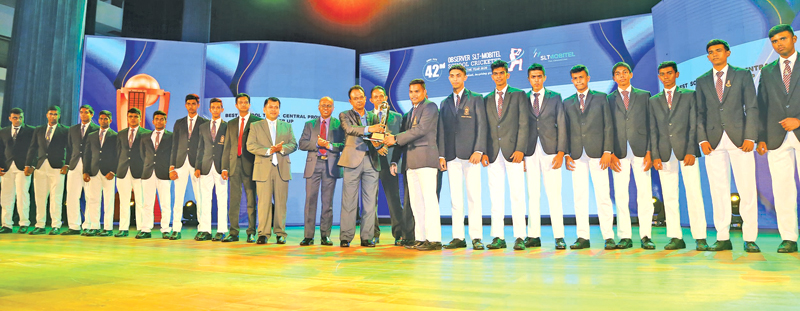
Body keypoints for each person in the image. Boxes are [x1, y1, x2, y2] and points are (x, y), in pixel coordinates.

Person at [696, 39, 760, 252]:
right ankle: (723, 237)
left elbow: (751, 106)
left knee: (747, 189)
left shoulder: (742, 75)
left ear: (728, 53)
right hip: (713, 142)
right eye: (711, 52)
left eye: (718, 51)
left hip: (741, 140)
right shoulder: (702, 80)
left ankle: (750, 238)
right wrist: (702, 140)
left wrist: (751, 136)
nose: (714, 55)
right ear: (708, 57)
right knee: (717, 190)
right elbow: (699, 113)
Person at [650, 61, 708, 251]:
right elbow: (653, 130)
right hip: (665, 153)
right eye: (662, 74)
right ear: (659, 77)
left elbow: (695, 124)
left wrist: (691, 150)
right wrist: (655, 155)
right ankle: (675, 236)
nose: (666, 77)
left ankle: (700, 237)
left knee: (694, 194)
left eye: (669, 73)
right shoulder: (653, 100)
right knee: (669, 196)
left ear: (677, 74)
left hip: (686, 151)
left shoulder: (690, 95)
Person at [756, 24, 800, 253]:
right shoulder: (768, 70)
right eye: (774, 41)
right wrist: (761, 138)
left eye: (783, 39)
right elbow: (761, 106)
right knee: (782, 189)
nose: (779, 43)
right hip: (776, 138)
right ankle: (789, 238)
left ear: (793, 38)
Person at [386, 79, 442, 251]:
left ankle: (434, 240)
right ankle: (421, 237)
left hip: (425, 160)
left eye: (417, 91)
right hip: (411, 162)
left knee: (429, 201)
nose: (413, 95)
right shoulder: (410, 112)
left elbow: (421, 130)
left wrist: (395, 138)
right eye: (411, 92)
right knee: (416, 203)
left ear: (424, 92)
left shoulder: (430, 107)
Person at [563, 65, 615, 250]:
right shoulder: (567, 102)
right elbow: (565, 130)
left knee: (603, 196)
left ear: (588, 78)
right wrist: (567, 153)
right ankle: (582, 237)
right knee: (580, 197)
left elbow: (609, 125)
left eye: (581, 77)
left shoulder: (601, 98)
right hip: (576, 154)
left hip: (598, 153)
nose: (579, 81)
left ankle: (609, 237)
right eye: (575, 78)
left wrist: (608, 150)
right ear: (572, 80)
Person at [479, 60, 529, 250]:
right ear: (492, 76)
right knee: (495, 196)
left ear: (507, 74)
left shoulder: (518, 95)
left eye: (502, 73)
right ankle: (498, 236)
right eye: (495, 74)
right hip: (492, 153)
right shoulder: (487, 99)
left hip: (513, 152)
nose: (499, 76)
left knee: (517, 195)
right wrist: (483, 151)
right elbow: (484, 127)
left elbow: (524, 124)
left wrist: (521, 149)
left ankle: (520, 236)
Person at [437, 65, 487, 250]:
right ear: (449, 78)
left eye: (458, 76)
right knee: (455, 199)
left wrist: (479, 150)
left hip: (471, 155)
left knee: (474, 197)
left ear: (465, 77)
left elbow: (482, 125)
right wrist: (441, 154)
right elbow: (441, 130)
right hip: (451, 155)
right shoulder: (445, 102)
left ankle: (476, 237)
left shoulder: (476, 98)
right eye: (452, 76)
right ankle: (458, 237)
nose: (455, 79)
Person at [607, 62, 655, 249]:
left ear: (631, 74)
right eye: (617, 74)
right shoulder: (609, 99)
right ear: (614, 78)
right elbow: (607, 127)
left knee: (644, 193)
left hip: (641, 150)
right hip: (618, 153)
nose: (621, 76)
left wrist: (650, 151)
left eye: (624, 72)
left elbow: (651, 124)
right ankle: (625, 236)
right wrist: (609, 152)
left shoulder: (644, 96)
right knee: (620, 195)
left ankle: (646, 235)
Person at [522, 63, 568, 250]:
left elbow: (562, 125)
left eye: (539, 76)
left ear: (545, 78)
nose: (536, 79)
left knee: (554, 194)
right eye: (533, 77)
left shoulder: (555, 97)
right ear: (529, 79)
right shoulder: (522, 98)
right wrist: (522, 154)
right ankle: (533, 235)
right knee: (533, 195)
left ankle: (559, 236)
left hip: (551, 151)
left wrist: (561, 152)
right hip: (530, 151)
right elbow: (521, 126)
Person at [338, 85, 384, 247]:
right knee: (349, 201)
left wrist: (381, 142)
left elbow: (379, 134)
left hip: (371, 160)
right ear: (350, 101)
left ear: (366, 99)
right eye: (355, 98)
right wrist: (369, 129)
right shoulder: (345, 115)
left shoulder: (375, 116)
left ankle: (367, 237)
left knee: (370, 202)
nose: (359, 100)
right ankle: (346, 237)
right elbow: (350, 129)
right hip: (352, 161)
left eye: (361, 97)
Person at [248, 97, 297, 245]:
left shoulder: (286, 126)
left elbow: (294, 144)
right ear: (264, 109)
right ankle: (263, 233)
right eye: (270, 107)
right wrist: (269, 150)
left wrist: (281, 149)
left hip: (282, 168)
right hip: (263, 168)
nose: (273, 109)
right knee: (263, 203)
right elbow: (250, 145)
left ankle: (280, 233)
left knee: (281, 203)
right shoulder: (256, 126)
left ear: (279, 110)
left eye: (276, 107)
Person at [370, 86, 413, 246]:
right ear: (371, 100)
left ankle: (399, 233)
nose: (379, 99)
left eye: (382, 96)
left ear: (386, 98)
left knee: (394, 199)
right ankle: (372, 234)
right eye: (376, 96)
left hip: (389, 163)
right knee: (369, 201)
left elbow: (401, 140)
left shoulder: (396, 117)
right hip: (371, 162)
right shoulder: (367, 117)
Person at [298, 96, 343, 246]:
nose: (326, 108)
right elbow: (302, 144)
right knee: (310, 201)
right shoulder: (309, 124)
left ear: (333, 108)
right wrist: (316, 143)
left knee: (327, 203)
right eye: (323, 105)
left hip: (330, 166)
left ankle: (325, 236)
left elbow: (343, 145)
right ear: (318, 107)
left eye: (329, 106)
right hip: (313, 165)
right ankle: (308, 236)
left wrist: (329, 145)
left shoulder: (339, 124)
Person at [221, 93, 263, 243]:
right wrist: (224, 167)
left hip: (251, 166)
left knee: (251, 200)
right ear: (236, 105)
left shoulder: (257, 122)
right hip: (233, 166)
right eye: (240, 102)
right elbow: (227, 147)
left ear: (249, 105)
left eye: (246, 102)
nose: (243, 105)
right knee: (234, 201)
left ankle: (251, 232)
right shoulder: (230, 123)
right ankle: (233, 232)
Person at [25, 106, 69, 235]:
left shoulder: (65, 130)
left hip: (57, 167)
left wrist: (66, 164)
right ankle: (40, 225)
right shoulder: (39, 129)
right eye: (51, 114)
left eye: (55, 114)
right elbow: (33, 147)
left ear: (59, 116)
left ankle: (56, 225)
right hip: (40, 166)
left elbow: (69, 148)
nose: (53, 116)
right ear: (46, 115)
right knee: (40, 197)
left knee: (56, 197)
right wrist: (29, 164)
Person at [169, 94, 208, 240]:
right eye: (188, 103)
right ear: (185, 105)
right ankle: (176, 229)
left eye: (194, 103)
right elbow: (174, 145)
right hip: (180, 163)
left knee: (200, 196)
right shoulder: (179, 123)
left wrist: (200, 164)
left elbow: (205, 145)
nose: (191, 106)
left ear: (198, 105)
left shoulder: (204, 122)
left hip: (196, 164)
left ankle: (202, 228)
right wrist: (172, 166)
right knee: (178, 197)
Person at [195, 98, 229, 241]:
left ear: (222, 109)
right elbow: (200, 148)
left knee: (221, 199)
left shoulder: (227, 127)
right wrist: (197, 166)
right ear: (209, 110)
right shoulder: (203, 127)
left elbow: (228, 149)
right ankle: (205, 229)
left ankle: (221, 230)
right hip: (205, 166)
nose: (215, 110)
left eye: (218, 107)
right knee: (205, 199)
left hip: (221, 168)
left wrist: (226, 167)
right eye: (213, 107)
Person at [81, 110, 118, 237]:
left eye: (106, 119)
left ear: (110, 120)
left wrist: (113, 171)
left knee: (108, 200)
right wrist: (85, 171)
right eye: (101, 118)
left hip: (108, 172)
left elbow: (117, 155)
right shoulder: (91, 135)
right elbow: (87, 154)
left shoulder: (115, 135)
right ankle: (94, 226)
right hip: (93, 171)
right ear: (98, 120)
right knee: (93, 199)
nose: (103, 121)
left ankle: (108, 228)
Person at [114, 108, 149, 237]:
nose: (133, 119)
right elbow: (117, 153)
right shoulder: (121, 134)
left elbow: (148, 154)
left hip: (139, 171)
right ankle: (123, 228)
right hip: (123, 170)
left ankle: (141, 228)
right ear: (127, 118)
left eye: (135, 116)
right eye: (130, 116)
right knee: (123, 201)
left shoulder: (146, 134)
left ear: (140, 118)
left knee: (141, 201)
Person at [65, 105, 99, 235]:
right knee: (72, 195)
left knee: (91, 196)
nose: (83, 115)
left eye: (86, 113)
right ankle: (74, 226)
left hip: (90, 165)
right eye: (81, 112)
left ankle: (89, 225)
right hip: (74, 164)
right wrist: (67, 164)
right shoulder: (73, 129)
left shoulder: (96, 129)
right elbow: (69, 148)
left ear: (91, 114)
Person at [139, 110, 173, 239]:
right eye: (157, 119)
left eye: (162, 119)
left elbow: (172, 154)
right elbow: (143, 154)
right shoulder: (145, 137)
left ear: (165, 121)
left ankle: (165, 229)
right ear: (153, 121)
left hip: (164, 172)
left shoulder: (171, 136)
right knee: (147, 202)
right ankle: (146, 229)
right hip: (148, 172)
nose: (159, 121)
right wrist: (148, 165)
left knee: (165, 202)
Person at [0, 108, 34, 234]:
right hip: (7, 167)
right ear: (10, 118)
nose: (18, 120)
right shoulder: (3, 131)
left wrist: (30, 165)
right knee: (6, 196)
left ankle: (24, 223)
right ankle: (6, 224)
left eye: (20, 117)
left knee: (22, 195)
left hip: (23, 167)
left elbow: (34, 149)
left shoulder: (31, 130)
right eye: (15, 118)